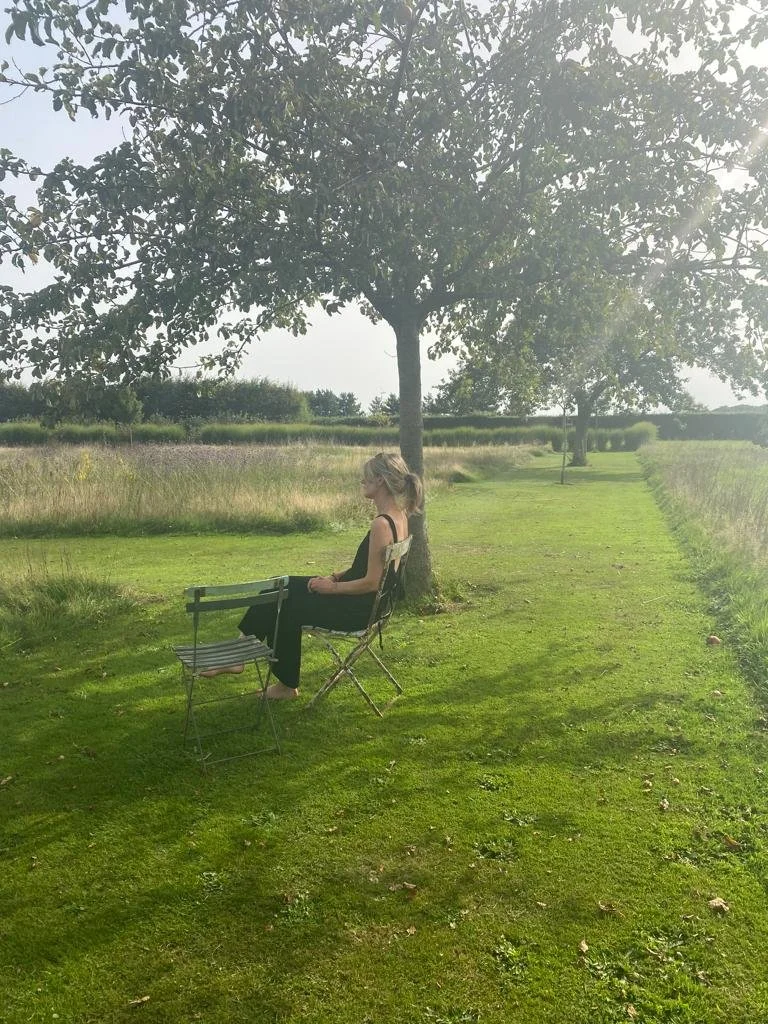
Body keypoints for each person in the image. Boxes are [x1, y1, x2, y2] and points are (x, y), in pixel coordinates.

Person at [203, 452, 422, 699]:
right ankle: (240, 657)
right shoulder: (400, 517)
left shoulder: (382, 524)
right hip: (372, 606)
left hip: (357, 611)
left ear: (380, 481)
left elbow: (372, 582)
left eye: (367, 476)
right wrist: (335, 578)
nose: (362, 480)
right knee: (280, 586)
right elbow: (374, 570)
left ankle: (282, 684)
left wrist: (331, 589)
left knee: (286, 606)